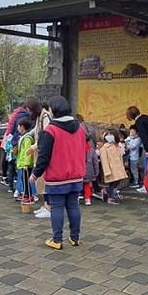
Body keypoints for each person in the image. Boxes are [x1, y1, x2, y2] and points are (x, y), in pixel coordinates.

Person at [30, 96, 85, 250]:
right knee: (73, 206)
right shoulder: (80, 128)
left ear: (54, 111)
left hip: (57, 177)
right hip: (76, 175)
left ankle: (57, 239)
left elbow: (43, 157)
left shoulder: (51, 131)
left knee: (57, 207)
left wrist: (35, 174)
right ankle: (75, 238)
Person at [125, 106, 148, 193]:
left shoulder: (139, 122)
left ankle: (146, 186)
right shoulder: (146, 117)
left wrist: (147, 149)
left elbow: (144, 136)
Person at [99, 129, 128, 204]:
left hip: (118, 168)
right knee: (112, 183)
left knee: (117, 182)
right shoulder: (104, 148)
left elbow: (120, 158)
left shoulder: (117, 146)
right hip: (111, 169)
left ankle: (106, 191)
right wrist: (107, 171)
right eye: (108, 135)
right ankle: (110, 197)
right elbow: (104, 161)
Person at [16, 118, 37, 203]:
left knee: (26, 180)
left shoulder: (27, 138)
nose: (17, 128)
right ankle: (26, 195)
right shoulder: (23, 137)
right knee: (24, 180)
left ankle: (29, 196)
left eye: (18, 126)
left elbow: (27, 152)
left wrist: (26, 164)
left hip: (25, 164)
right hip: (22, 163)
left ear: (22, 127)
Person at [82, 136, 99, 206]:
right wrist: (96, 171)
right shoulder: (91, 149)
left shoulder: (76, 148)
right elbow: (95, 161)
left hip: (78, 170)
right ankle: (87, 199)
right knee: (87, 185)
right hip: (89, 170)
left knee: (77, 185)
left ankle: (76, 198)